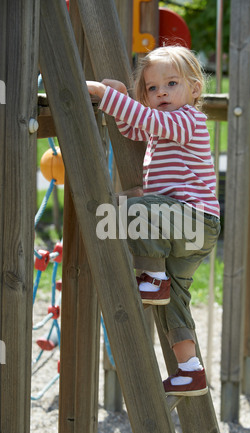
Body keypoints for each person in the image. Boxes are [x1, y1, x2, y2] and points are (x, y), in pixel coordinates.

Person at [87, 46, 220, 397]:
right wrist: (116, 97)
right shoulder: (161, 129)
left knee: (131, 207)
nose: (160, 92)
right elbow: (134, 128)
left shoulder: (187, 120)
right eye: (151, 88)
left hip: (194, 218)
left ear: (194, 90)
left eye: (171, 83)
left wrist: (103, 95)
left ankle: (154, 276)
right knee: (173, 303)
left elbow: (149, 121)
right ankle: (190, 371)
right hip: (182, 229)